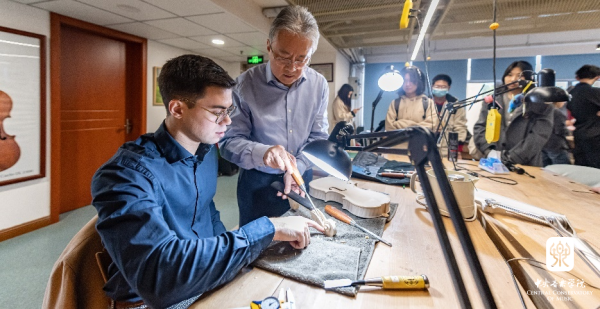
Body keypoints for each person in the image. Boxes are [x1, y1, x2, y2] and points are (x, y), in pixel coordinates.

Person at [91, 55, 324, 309]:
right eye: (217, 112)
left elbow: (206, 214)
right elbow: (160, 279)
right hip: (157, 300)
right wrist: (267, 229)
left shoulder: (206, 152)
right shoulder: (125, 175)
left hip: (205, 278)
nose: (228, 121)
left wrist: (237, 258)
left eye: (229, 110)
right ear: (177, 109)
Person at [219, 6, 329, 226]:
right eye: (284, 57)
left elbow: (318, 138)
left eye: (301, 59)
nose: (292, 68)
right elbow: (227, 143)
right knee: (257, 253)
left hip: (300, 177)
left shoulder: (318, 85)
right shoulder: (244, 85)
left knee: (304, 244)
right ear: (269, 47)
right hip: (257, 183)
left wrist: (297, 166)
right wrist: (264, 153)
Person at [472, 60, 553, 167]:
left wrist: (510, 157)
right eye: (510, 75)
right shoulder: (493, 99)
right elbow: (480, 127)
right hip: (493, 162)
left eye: (520, 75)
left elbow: (538, 137)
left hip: (525, 165)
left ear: (529, 79)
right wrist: (490, 151)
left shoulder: (541, 103)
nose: (513, 79)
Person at [567, 64, 600, 168]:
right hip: (595, 135)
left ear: (577, 77)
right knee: (595, 169)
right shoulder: (595, 93)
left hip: (578, 133)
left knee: (580, 167)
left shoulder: (570, 93)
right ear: (597, 77)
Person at [385, 65, 436, 132]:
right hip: (399, 142)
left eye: (411, 80)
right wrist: (417, 126)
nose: (408, 84)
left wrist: (400, 124)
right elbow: (389, 128)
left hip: (421, 142)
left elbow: (432, 125)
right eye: (405, 81)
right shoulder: (395, 103)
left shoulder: (428, 103)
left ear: (418, 82)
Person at [431, 74, 468, 157]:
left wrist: (457, 149)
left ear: (449, 88)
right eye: (437, 86)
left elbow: (460, 127)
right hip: (427, 148)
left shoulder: (455, 105)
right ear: (432, 86)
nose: (440, 89)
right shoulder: (425, 103)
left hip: (447, 150)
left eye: (443, 87)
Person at [541, 102, 570, 166]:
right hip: (556, 145)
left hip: (543, 143)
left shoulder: (542, 110)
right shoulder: (556, 112)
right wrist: (567, 131)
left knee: (546, 170)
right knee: (562, 169)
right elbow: (560, 130)